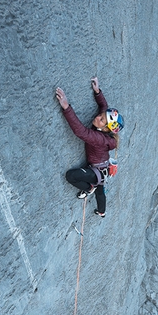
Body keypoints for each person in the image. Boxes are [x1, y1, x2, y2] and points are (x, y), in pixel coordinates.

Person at [55, 77, 123, 217]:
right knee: (100, 189)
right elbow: (104, 106)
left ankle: (89, 187)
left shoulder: (98, 138)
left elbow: (80, 131)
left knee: (71, 176)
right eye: (101, 116)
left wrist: (67, 107)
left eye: (101, 119)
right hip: (101, 169)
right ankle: (102, 212)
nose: (98, 117)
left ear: (105, 129)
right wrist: (97, 91)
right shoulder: (104, 129)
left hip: (96, 171)